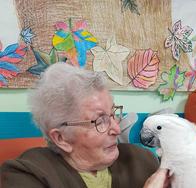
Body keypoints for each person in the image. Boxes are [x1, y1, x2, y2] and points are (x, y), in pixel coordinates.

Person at [0, 63, 170, 188]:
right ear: (61, 138)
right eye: (100, 120)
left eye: (113, 114)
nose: (117, 129)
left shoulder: (142, 160)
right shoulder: (25, 175)